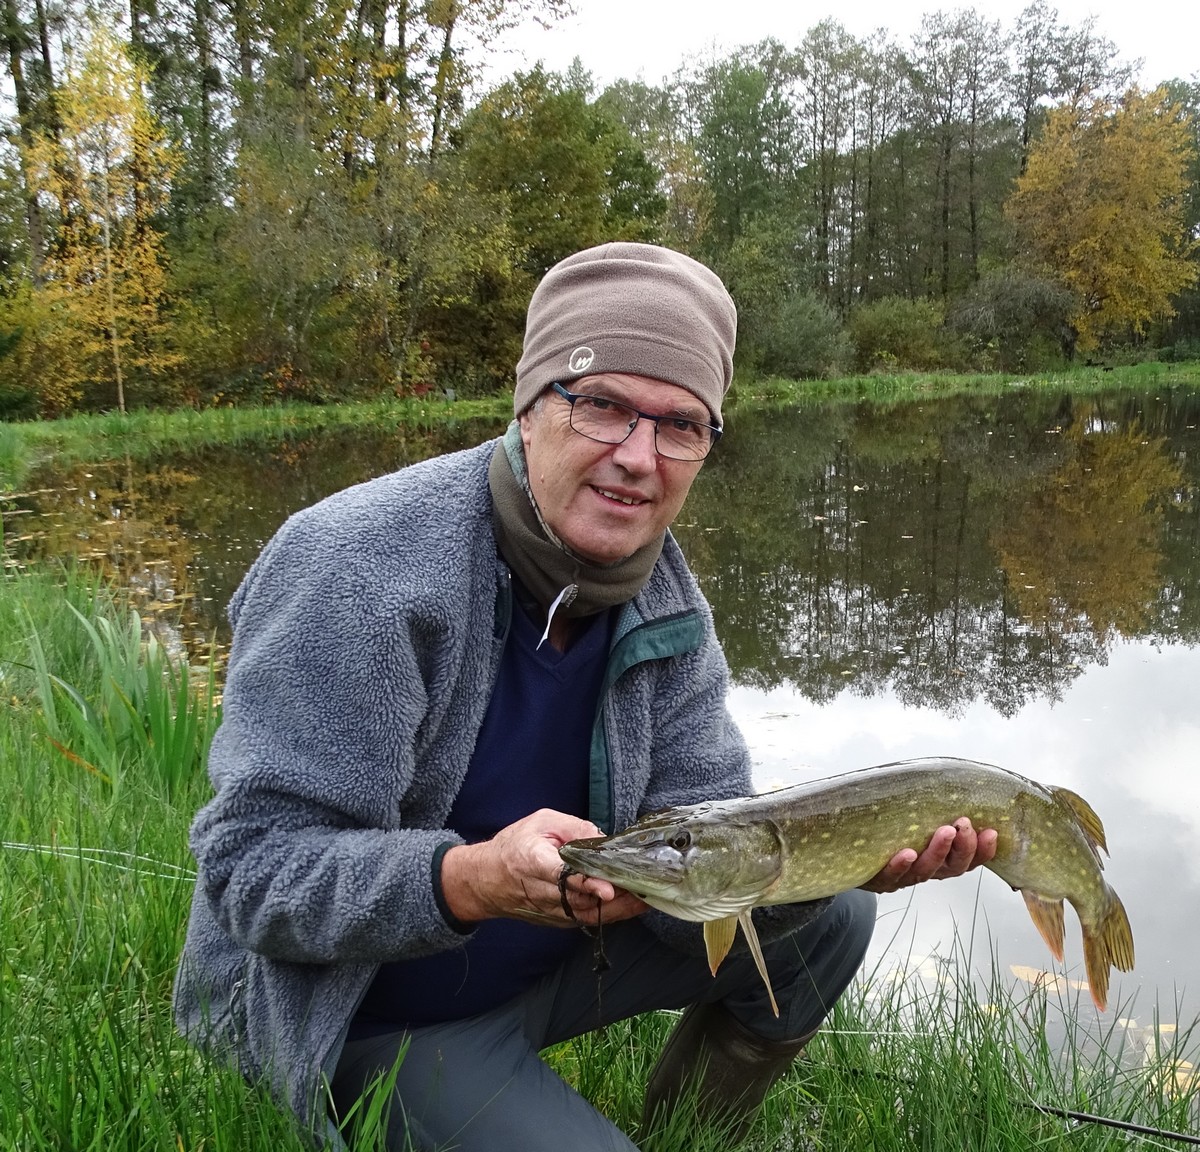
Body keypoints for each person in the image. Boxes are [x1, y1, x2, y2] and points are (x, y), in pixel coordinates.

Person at [174, 242, 997, 1151]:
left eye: (680, 426)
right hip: (367, 1010)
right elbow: (253, 873)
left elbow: (704, 854)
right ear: (530, 408)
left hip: (559, 964)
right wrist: (472, 880)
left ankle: (690, 1137)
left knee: (832, 917)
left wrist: (826, 864)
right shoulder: (357, 569)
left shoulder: (665, 597)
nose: (639, 457)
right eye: (603, 406)